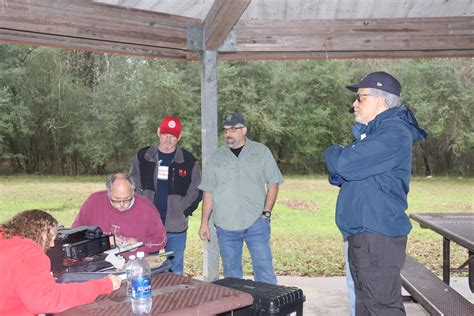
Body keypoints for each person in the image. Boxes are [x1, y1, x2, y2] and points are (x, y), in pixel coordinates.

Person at [324, 71, 427, 315]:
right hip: (364, 233)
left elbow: (341, 164)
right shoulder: (373, 134)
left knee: (381, 307)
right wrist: (342, 165)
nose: (354, 104)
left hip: (376, 235)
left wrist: (333, 153)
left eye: (360, 98)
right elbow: (340, 174)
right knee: (366, 305)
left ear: (380, 100)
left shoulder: (393, 134)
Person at [199, 113, 283, 284]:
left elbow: (273, 182)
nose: (228, 134)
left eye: (233, 129)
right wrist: (203, 223)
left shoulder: (261, 152)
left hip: (256, 223)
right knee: (232, 276)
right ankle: (238, 310)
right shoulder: (216, 158)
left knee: (264, 270)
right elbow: (208, 191)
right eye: (225, 130)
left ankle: (269, 310)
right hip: (226, 226)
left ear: (243, 130)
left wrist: (266, 212)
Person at [0, 209, 121, 315]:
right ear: (41, 233)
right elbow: (46, 300)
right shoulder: (29, 254)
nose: (52, 245)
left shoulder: (5, 240)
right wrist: (102, 285)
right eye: (51, 237)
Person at [130, 116, 202, 275]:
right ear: (158, 133)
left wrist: (183, 210)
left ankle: (175, 300)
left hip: (176, 226)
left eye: (173, 136)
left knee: (175, 269)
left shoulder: (188, 160)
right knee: (147, 268)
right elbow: (133, 183)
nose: (168, 139)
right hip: (147, 225)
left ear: (179, 137)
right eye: (165, 135)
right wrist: (139, 209)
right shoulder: (143, 156)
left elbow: (196, 188)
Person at [72, 173, 167, 257]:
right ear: (108, 193)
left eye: (127, 199)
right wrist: (102, 241)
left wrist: (139, 243)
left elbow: (161, 240)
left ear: (133, 192)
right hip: (98, 264)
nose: (122, 204)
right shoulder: (94, 201)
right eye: (116, 199)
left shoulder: (146, 208)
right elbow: (74, 234)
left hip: (134, 264)